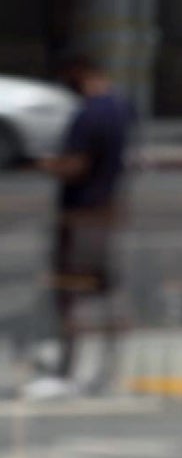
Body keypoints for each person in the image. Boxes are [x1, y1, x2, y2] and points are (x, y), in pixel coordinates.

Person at [28, 54, 133, 396]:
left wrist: (42, 164)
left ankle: (69, 370)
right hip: (106, 211)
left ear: (80, 74)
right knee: (105, 291)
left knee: (72, 293)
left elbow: (76, 165)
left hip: (82, 215)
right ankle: (108, 368)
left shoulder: (88, 115)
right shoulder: (120, 108)